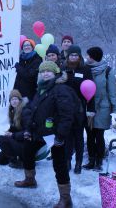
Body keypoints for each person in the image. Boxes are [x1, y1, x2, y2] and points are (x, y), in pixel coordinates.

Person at [14, 61, 77, 208]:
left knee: (59, 164)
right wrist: (28, 129)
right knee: (27, 151)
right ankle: (30, 180)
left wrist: (60, 137)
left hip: (55, 134)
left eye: (49, 71)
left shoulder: (61, 89)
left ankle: (65, 199)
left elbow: (67, 116)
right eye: (43, 71)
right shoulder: (41, 88)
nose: (45, 73)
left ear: (55, 73)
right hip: (39, 131)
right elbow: (32, 110)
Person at [83, 47, 116, 171]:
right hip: (88, 107)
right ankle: (91, 160)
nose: (87, 57)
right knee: (89, 135)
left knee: (99, 135)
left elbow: (112, 92)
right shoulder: (84, 69)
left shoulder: (108, 71)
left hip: (102, 108)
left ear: (94, 56)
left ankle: (99, 161)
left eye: (88, 55)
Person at [61, 45, 95, 174]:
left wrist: (91, 110)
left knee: (79, 137)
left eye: (76, 55)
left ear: (79, 56)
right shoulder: (63, 68)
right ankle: (68, 160)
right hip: (66, 108)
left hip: (80, 108)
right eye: (71, 55)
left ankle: (78, 163)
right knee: (67, 136)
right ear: (68, 56)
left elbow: (91, 89)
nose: (74, 57)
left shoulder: (85, 70)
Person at [0, 89, 28, 168]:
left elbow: (28, 132)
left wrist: (13, 135)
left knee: (1, 139)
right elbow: (14, 129)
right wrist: (9, 132)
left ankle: (20, 160)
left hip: (25, 144)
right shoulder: (13, 111)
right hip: (17, 141)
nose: (14, 101)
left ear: (20, 100)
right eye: (12, 99)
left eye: (16, 99)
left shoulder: (25, 111)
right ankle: (15, 158)